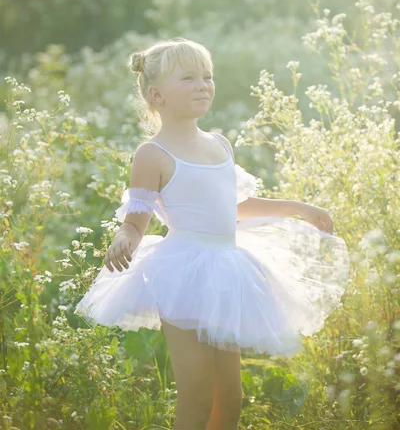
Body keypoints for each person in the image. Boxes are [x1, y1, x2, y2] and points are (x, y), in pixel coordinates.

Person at [74, 37, 349, 430]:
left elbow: (232, 209)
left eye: (207, 76)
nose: (203, 84)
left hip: (226, 272)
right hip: (183, 274)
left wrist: (298, 208)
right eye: (188, 78)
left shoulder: (219, 144)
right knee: (197, 396)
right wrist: (125, 238)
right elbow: (138, 217)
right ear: (158, 95)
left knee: (231, 399)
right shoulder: (153, 154)